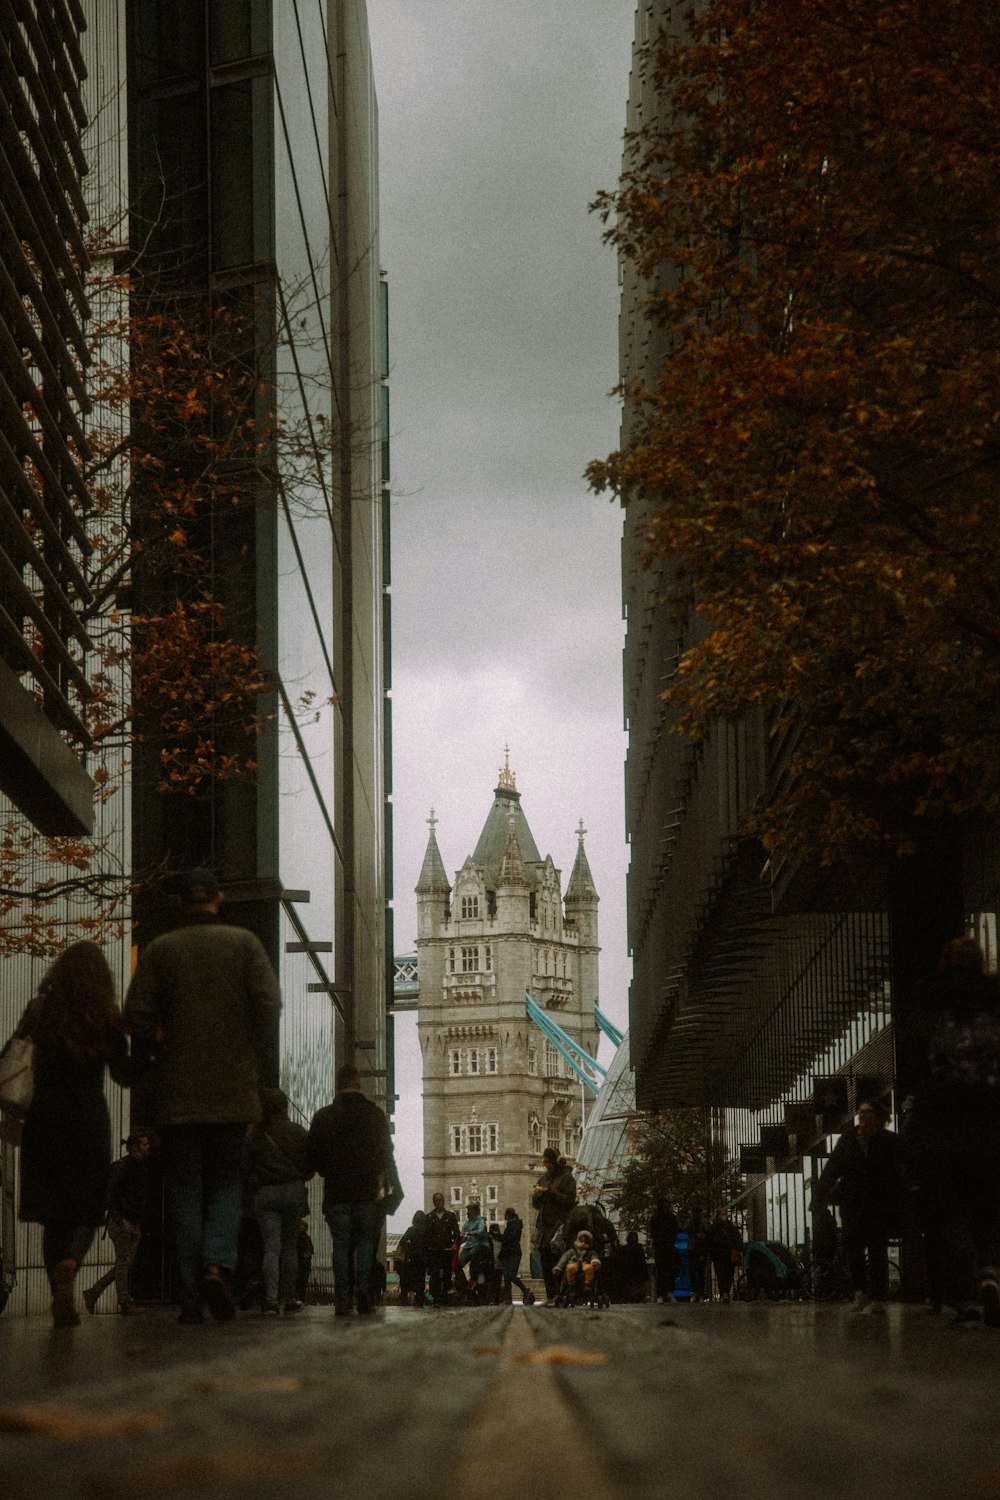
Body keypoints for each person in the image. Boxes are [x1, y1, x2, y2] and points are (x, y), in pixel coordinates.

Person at [124, 867, 281, 1324]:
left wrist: (158, 1044)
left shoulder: (161, 950)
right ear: (219, 899)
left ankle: (190, 1293)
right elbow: (269, 1004)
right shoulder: (245, 945)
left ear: (181, 904)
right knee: (226, 1185)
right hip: (233, 1089)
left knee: (187, 1189)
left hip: (178, 1094)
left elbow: (137, 1012)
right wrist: (249, 1047)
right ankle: (217, 1264)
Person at [15, 942, 133, 1327]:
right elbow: (123, 1075)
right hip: (87, 1120)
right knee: (86, 1209)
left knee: (53, 1215)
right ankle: (70, 1264)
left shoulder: (39, 1012)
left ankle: (57, 1290)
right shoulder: (106, 1017)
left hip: (44, 1120)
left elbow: (11, 1056)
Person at [904, 937, 1000, 1326]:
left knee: (951, 1209)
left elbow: (914, 1055)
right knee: (990, 1204)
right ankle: (991, 1270)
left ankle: (967, 1296)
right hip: (990, 1118)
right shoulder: (995, 993)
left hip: (943, 1122)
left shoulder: (929, 995)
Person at [306, 1061, 396, 1317]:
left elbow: (313, 1153)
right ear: (359, 1083)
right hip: (367, 1191)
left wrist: (325, 1170)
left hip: (337, 1192)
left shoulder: (324, 1116)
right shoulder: (375, 1115)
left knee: (341, 1244)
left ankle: (343, 1298)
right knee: (367, 1242)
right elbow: (385, 1153)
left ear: (338, 1086)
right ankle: (363, 1286)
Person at [817, 1099, 902, 1314]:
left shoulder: (888, 1141)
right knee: (853, 1249)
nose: (862, 1117)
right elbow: (832, 1169)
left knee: (877, 1250)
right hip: (852, 1204)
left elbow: (898, 1172)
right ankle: (860, 1291)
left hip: (877, 1205)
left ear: (878, 1116)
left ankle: (879, 1296)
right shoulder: (848, 1140)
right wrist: (820, 1195)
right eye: (860, 1112)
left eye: (867, 1112)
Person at [245, 1088, 311, 1315]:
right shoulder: (298, 1132)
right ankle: (290, 1299)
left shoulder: (255, 1135)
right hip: (293, 1190)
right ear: (285, 1107)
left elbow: (246, 1168)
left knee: (271, 1248)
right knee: (290, 1248)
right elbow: (309, 1166)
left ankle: (271, 1301)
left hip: (266, 1193)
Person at [83, 1132, 151, 1315]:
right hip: (122, 1221)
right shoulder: (122, 1167)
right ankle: (124, 1302)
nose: (148, 1147)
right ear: (135, 1147)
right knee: (123, 1262)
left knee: (125, 1264)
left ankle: (94, 1292)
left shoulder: (140, 1168)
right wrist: (117, 1217)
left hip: (132, 1222)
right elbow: (110, 1193)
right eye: (145, 1144)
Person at [531, 1146, 577, 1301]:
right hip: (545, 1225)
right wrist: (538, 1196)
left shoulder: (567, 1178)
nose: (546, 1166)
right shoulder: (543, 1179)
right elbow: (535, 1205)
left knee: (558, 1259)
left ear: (555, 1162)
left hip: (559, 1224)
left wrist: (550, 1193)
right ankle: (551, 1295)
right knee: (545, 1259)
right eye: (545, 1163)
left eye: (549, 1163)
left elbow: (569, 1200)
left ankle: (562, 1293)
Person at [423, 1192, 461, 1305]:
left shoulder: (450, 1216)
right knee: (434, 1275)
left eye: (441, 1199)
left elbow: (457, 1233)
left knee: (446, 1274)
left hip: (447, 1250)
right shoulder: (429, 1217)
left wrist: (454, 1244)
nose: (439, 1202)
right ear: (434, 1202)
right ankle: (436, 1299)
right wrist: (428, 1247)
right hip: (434, 1251)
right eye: (437, 1200)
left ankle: (445, 1297)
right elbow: (426, 1234)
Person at [498, 1206, 535, 1305]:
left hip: (513, 1253)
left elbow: (509, 1239)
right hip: (510, 1253)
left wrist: (499, 1236)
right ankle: (508, 1299)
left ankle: (525, 1290)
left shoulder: (513, 1225)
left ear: (508, 1215)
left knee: (510, 1275)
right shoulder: (513, 1224)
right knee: (507, 1276)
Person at [554, 1227, 601, 1300]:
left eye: (586, 1243)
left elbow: (594, 1257)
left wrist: (595, 1261)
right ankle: (571, 1285)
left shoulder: (590, 1252)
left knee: (590, 1268)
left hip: (585, 1265)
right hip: (574, 1264)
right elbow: (564, 1259)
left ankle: (587, 1284)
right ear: (577, 1241)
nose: (583, 1244)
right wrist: (558, 1267)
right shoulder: (571, 1252)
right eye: (581, 1241)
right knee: (569, 1268)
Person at [707, 1207, 744, 1303]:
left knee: (729, 1274)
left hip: (728, 1254)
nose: (724, 1216)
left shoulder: (729, 1226)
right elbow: (710, 1241)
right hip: (719, 1254)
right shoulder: (715, 1227)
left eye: (725, 1214)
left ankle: (726, 1292)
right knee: (721, 1274)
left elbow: (737, 1238)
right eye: (722, 1214)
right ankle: (724, 1293)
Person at [649, 1200, 680, 1303]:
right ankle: (666, 1293)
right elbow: (676, 1230)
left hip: (664, 1247)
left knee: (665, 1271)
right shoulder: (670, 1217)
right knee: (665, 1271)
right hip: (665, 1247)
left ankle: (664, 1294)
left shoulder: (659, 1218)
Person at [396, 1210, 428, 1307]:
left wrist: (409, 1246)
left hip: (412, 1258)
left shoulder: (411, 1230)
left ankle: (404, 1299)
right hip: (423, 1259)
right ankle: (419, 1300)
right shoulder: (427, 1231)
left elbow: (402, 1242)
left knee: (407, 1280)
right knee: (421, 1280)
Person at [683, 1205, 711, 1303]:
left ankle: (701, 1293)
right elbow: (685, 1230)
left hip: (701, 1249)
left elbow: (708, 1233)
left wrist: (703, 1234)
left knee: (701, 1271)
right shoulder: (689, 1222)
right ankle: (695, 1291)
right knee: (692, 1271)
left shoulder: (704, 1222)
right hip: (692, 1249)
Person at [619, 1230, 651, 1302]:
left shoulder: (624, 1249)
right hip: (638, 1273)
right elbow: (642, 1262)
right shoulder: (639, 1248)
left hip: (628, 1273)